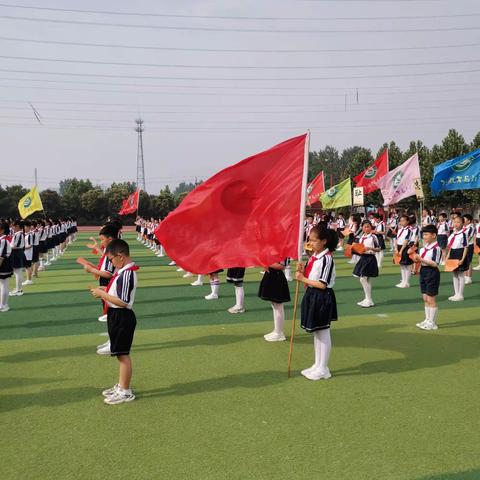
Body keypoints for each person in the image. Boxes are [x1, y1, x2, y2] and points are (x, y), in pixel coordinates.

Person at [90, 239, 139, 405]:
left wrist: (102, 294)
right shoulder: (122, 271)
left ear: (120, 256)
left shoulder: (127, 273)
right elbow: (117, 293)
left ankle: (125, 391)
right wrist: (106, 290)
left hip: (122, 316)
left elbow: (123, 301)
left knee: (123, 354)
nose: (110, 263)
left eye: (111, 260)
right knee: (119, 354)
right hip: (116, 315)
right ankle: (121, 385)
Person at [295, 225, 338, 381]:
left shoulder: (327, 259)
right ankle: (317, 364)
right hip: (312, 294)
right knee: (316, 331)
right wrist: (301, 271)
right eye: (310, 240)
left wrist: (303, 279)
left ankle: (324, 368)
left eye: (314, 240)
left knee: (323, 331)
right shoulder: (314, 256)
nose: (311, 243)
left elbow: (322, 283)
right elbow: (309, 275)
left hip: (322, 296)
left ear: (324, 241)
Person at [412, 225, 442, 330]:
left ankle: (432, 322)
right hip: (423, 271)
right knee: (425, 298)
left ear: (434, 235)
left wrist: (420, 259)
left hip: (432, 272)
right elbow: (420, 260)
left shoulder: (436, 248)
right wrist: (416, 264)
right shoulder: (423, 248)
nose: (424, 237)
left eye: (426, 234)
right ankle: (427, 319)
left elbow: (435, 263)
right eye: (423, 234)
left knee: (431, 298)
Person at [258, 259, 291, 342]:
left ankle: (279, 333)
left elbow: (282, 266)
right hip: (271, 276)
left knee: (278, 305)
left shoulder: (283, 248)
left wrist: (267, 262)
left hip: (277, 277)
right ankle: (277, 330)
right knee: (274, 305)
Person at [353, 221, 380, 308]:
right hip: (363, 258)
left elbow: (379, 248)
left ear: (371, 227)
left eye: (368, 226)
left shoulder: (373, 237)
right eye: (365, 227)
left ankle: (369, 299)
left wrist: (370, 248)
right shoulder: (361, 238)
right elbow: (359, 249)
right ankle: (367, 298)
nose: (367, 228)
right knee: (366, 279)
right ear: (362, 228)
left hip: (370, 258)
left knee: (363, 279)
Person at [446, 215, 468, 302]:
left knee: (461, 275)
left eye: (458, 222)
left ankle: (460, 294)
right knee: (455, 274)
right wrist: (448, 255)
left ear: (462, 223)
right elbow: (450, 246)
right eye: (454, 222)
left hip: (460, 253)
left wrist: (462, 259)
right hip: (453, 254)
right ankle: (456, 293)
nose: (456, 224)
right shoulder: (453, 233)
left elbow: (466, 247)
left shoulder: (463, 234)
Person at [395, 215, 413, 288]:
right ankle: (403, 281)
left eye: (403, 220)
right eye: (401, 220)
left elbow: (406, 241)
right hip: (399, 247)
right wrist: (396, 248)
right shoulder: (400, 229)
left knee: (407, 265)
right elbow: (397, 239)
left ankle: (407, 282)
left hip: (405, 248)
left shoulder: (409, 230)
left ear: (407, 221)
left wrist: (401, 250)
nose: (401, 222)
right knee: (402, 265)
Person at [9, 220, 25, 297]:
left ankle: (19, 290)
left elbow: (15, 246)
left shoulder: (19, 234)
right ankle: (18, 288)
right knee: (17, 272)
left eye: (13, 226)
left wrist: (8, 246)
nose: (12, 227)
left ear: (17, 226)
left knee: (18, 272)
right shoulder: (18, 234)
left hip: (17, 253)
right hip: (17, 253)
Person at [0, 221, 13, 312]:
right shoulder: (3, 239)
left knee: (4, 284)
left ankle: (4, 305)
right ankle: (3, 304)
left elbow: (1, 256)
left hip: (3, 263)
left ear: (2, 230)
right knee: (3, 284)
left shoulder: (4, 240)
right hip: (3, 262)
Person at [462, 214, 475, 285]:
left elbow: (469, 237)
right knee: (464, 261)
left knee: (469, 261)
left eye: (464, 219)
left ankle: (469, 277)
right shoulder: (463, 227)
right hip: (463, 246)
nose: (463, 220)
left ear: (469, 221)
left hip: (469, 246)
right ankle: (465, 276)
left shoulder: (471, 228)